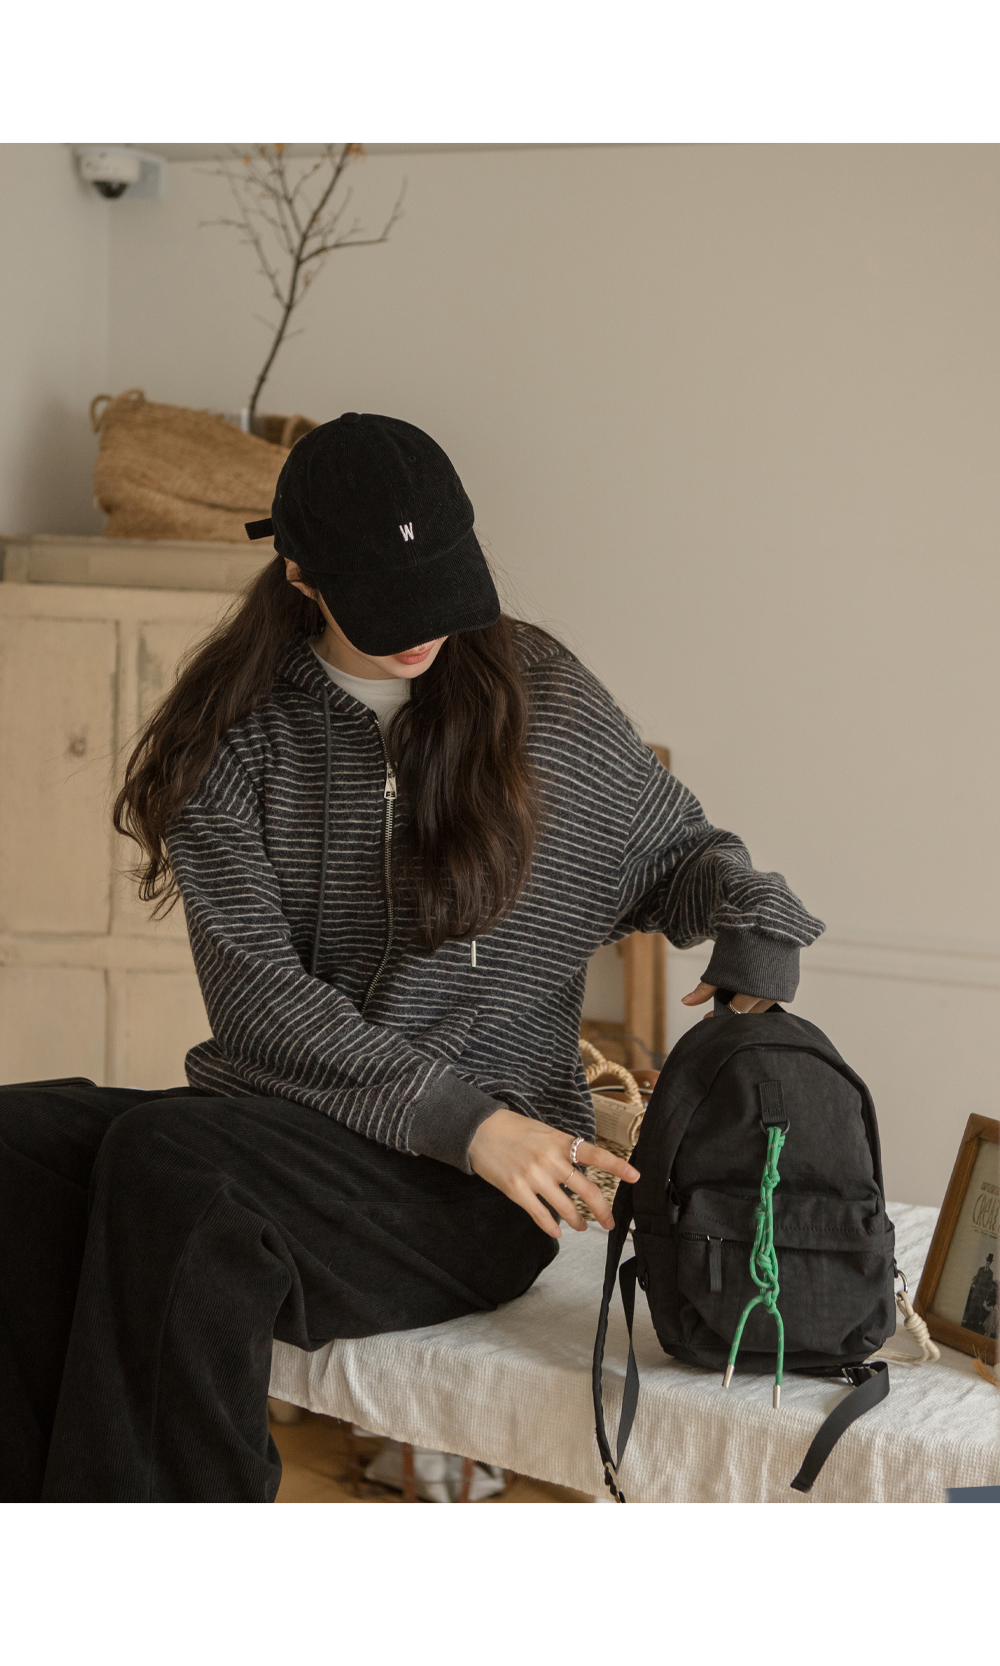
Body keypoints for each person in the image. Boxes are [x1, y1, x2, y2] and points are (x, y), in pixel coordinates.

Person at [0, 413, 824, 1502]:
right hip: (330, 1134)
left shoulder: (538, 694)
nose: (421, 630)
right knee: (17, 1142)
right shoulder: (236, 736)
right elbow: (257, 1004)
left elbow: (679, 851)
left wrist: (758, 928)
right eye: (386, 600)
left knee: (170, 1164)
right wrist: (463, 1119)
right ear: (300, 573)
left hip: (481, 1194)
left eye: (439, 586)